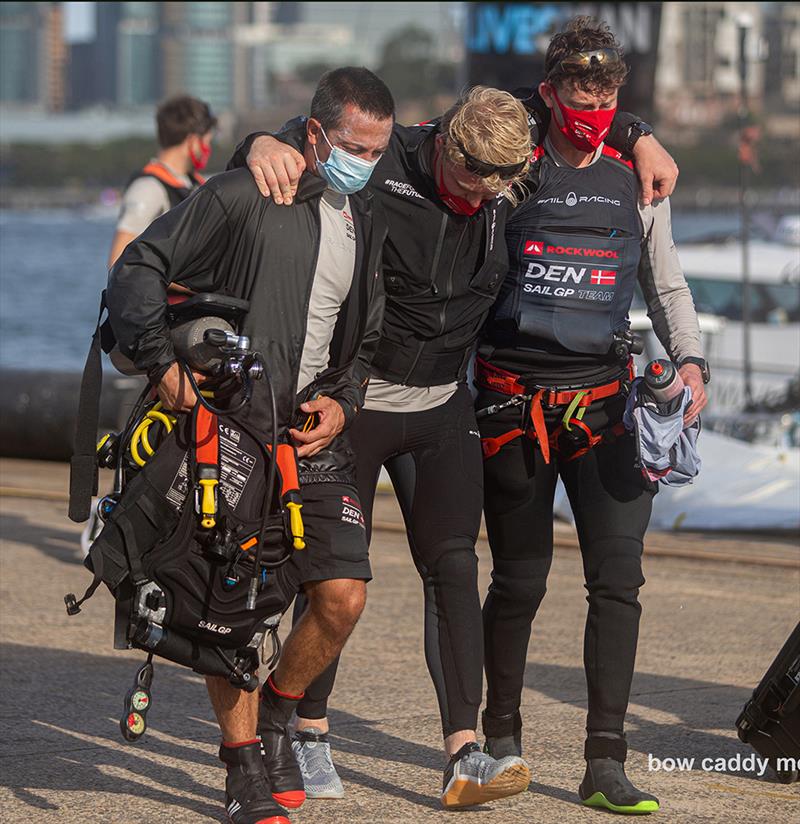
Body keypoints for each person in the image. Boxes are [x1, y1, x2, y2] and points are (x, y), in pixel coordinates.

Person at [231, 78, 681, 807]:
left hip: (442, 403)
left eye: (502, 184)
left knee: (454, 567)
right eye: (472, 180)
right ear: (446, 144)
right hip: (357, 401)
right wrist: (261, 142)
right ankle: (304, 728)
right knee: (335, 580)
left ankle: (463, 754)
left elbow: (572, 108)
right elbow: (316, 138)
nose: (483, 199)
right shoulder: (391, 161)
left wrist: (636, 133)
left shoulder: (505, 175)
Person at [105, 67, 393, 824]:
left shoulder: (364, 216)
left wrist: (345, 397)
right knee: (225, 606)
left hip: (311, 434)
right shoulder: (247, 191)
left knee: (342, 597)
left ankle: (277, 716)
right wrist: (163, 367)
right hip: (230, 427)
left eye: (378, 150)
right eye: (355, 146)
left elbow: (365, 337)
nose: (366, 162)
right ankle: (241, 769)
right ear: (317, 131)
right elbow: (136, 270)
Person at [475, 17, 709, 815]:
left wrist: (692, 361)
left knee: (619, 582)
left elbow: (666, 282)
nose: (596, 101)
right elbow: (467, 121)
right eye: (580, 87)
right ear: (549, 89)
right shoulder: (512, 167)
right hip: (514, 404)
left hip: (608, 407)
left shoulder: (636, 179)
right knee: (519, 582)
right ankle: (500, 741)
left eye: (610, 89)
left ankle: (604, 763)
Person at [108, 95, 217, 267]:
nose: (209, 149)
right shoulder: (148, 189)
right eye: (208, 142)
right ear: (193, 141)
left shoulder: (195, 185)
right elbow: (118, 263)